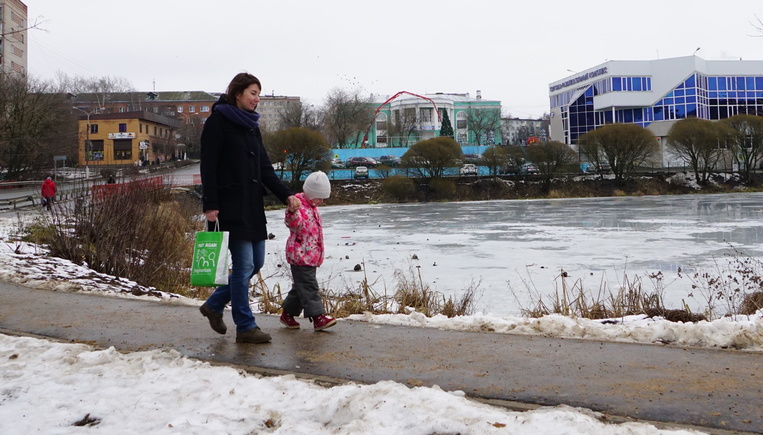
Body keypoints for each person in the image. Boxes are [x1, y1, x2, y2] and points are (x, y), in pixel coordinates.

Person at [199, 72, 301, 344]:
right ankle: (245, 326)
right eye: (253, 93)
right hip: (229, 205)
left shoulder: (252, 126)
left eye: (258, 93)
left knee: (256, 263)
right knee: (243, 265)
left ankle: (213, 305)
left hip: (252, 206)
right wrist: (210, 204)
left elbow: (265, 168)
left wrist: (287, 196)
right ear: (237, 93)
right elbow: (207, 166)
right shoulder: (217, 122)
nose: (257, 99)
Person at [279, 171, 337, 331]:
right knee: (309, 287)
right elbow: (294, 223)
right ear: (311, 194)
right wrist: (291, 212)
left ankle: (287, 314)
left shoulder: (312, 207)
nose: (321, 201)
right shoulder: (298, 207)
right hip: (300, 256)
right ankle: (318, 317)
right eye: (319, 197)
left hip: (310, 256)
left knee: (300, 287)